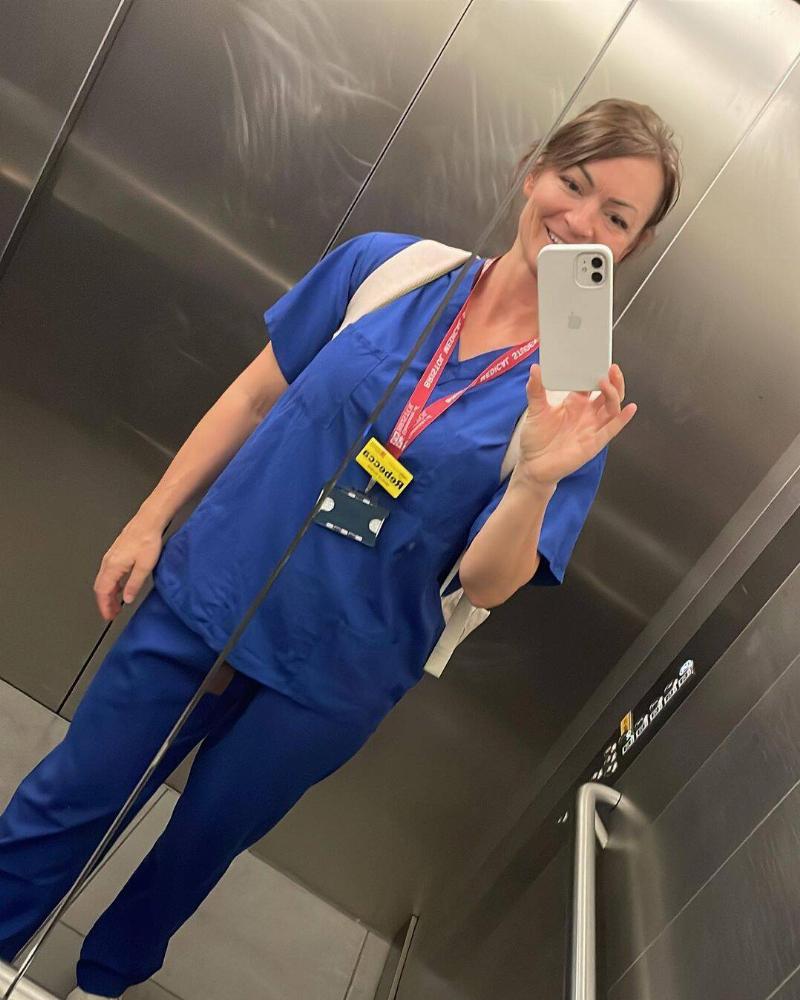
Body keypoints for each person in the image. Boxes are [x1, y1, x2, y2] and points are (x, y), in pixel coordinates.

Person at [0, 97, 681, 999]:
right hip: (211, 593)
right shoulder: (389, 268)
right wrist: (149, 518)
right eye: (574, 183)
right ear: (535, 170)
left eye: (615, 218)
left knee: (193, 853)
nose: (579, 221)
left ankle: (101, 984)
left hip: (335, 675)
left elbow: (485, 583)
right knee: (72, 793)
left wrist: (537, 475)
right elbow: (249, 398)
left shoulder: (576, 397)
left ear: (627, 252)